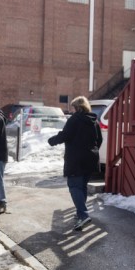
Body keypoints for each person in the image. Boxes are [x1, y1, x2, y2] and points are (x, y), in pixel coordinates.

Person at [47, 96, 102, 231]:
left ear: (77, 107)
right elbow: (99, 139)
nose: (72, 110)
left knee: (74, 186)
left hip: (76, 160)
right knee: (82, 187)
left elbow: (65, 135)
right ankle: (80, 214)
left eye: (73, 107)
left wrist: (52, 140)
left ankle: (83, 215)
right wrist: (91, 151)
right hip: (91, 159)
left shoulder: (75, 119)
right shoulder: (94, 121)